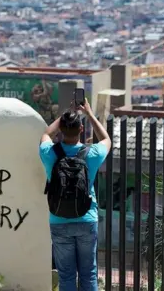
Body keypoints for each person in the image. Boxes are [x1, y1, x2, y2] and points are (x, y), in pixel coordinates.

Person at [39, 99, 111, 291]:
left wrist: (65, 114)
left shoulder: (50, 153)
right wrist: (88, 113)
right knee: (89, 274)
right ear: (81, 129)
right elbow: (106, 139)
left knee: (66, 275)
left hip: (58, 220)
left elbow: (46, 133)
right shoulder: (92, 153)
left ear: (62, 129)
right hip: (86, 218)